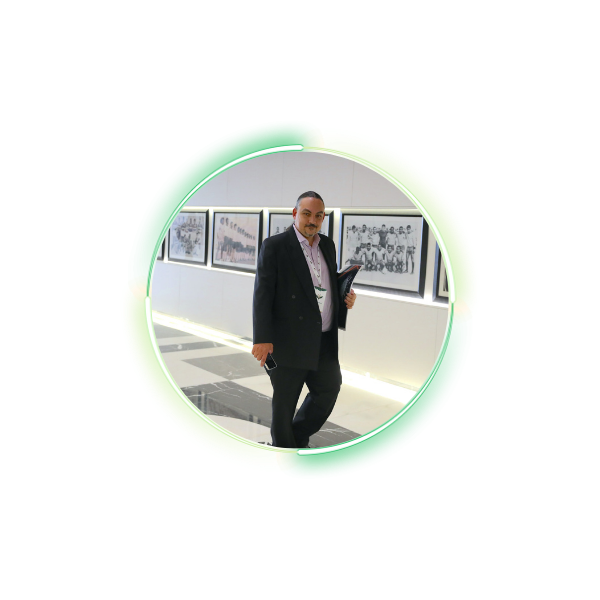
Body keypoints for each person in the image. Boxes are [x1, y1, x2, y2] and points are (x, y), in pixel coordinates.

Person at [252, 191, 357, 449]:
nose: (312, 220)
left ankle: (295, 439)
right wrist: (262, 338)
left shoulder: (327, 245)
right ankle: (284, 455)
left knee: (329, 389)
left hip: (324, 339)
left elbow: (326, 284)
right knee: (284, 404)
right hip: (287, 341)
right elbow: (262, 294)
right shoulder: (275, 246)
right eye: (307, 214)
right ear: (295, 213)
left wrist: (345, 296)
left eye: (318, 216)